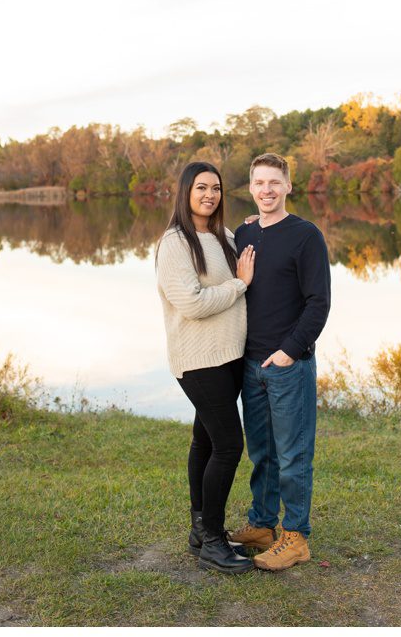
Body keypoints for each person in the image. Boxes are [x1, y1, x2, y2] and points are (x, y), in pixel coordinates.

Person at [225, 153, 331, 572]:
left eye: (274, 182)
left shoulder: (306, 236)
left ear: (288, 186)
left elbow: (318, 302)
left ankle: (296, 536)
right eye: (258, 183)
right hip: (251, 365)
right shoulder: (245, 233)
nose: (266, 190)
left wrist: (289, 351)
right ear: (249, 188)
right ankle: (263, 526)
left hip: (287, 364)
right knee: (263, 453)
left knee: (292, 455)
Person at [154, 161, 258, 574]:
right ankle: (213, 541)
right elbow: (194, 303)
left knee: (206, 440)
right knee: (229, 445)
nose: (210, 195)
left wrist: (255, 225)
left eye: (215, 188)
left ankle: (200, 530)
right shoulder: (174, 243)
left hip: (229, 356)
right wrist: (239, 285)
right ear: (185, 192)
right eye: (201, 188)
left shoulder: (222, 235)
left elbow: (246, 250)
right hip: (199, 360)